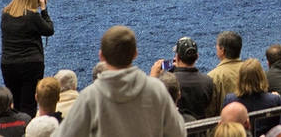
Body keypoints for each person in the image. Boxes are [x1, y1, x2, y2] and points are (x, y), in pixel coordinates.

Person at [51, 26, 185, 136]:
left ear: (101, 56)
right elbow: (178, 132)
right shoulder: (156, 89)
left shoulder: (90, 97)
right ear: (135, 54)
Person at [0, 0, 54, 117]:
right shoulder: (32, 16)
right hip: (31, 64)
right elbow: (49, 30)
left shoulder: (5, 14)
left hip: (8, 64)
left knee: (14, 103)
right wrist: (44, 10)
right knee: (28, 105)